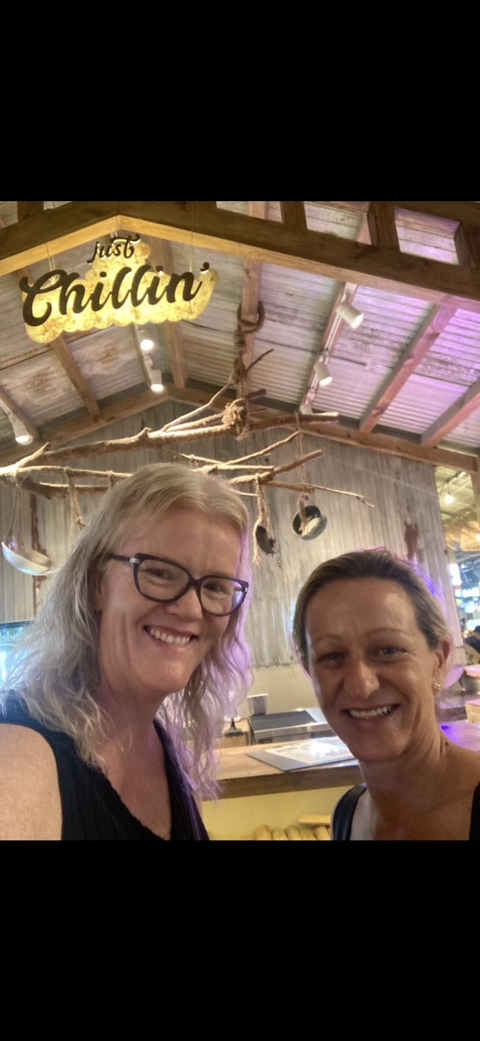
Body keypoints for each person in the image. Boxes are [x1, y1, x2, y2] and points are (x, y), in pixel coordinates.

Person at [0, 462, 251, 840]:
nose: (191, 609)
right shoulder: (20, 758)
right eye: (160, 572)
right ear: (96, 584)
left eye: (215, 587)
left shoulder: (166, 752)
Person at [292, 548, 480, 840]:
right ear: (310, 671)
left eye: (388, 650)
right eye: (332, 656)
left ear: (439, 660)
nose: (360, 685)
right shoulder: (347, 816)